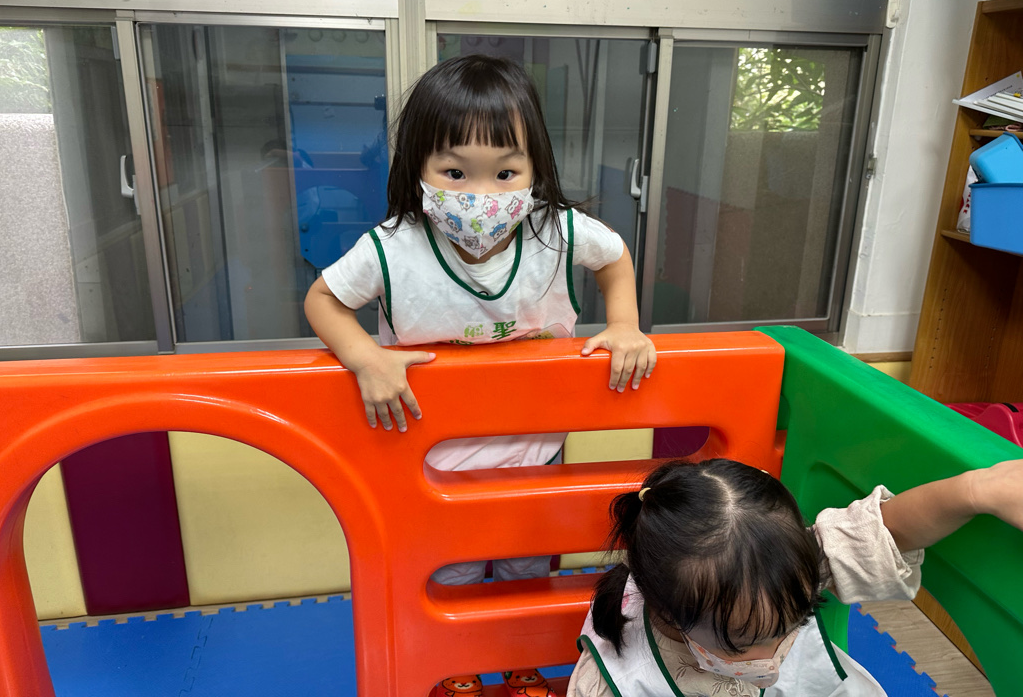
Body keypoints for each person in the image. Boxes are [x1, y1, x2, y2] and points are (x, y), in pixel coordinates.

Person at [304, 54, 657, 697]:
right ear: (418, 167)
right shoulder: (395, 245)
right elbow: (324, 299)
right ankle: (458, 667)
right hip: (435, 455)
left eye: (505, 172)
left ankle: (520, 663)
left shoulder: (553, 230)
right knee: (452, 572)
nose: (482, 195)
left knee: (527, 568)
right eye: (455, 172)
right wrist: (365, 357)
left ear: (534, 167)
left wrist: (625, 324)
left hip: (534, 447)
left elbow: (613, 258)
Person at [569, 457, 1023, 696]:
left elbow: (888, 529)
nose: (775, 655)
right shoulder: (617, 683)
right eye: (744, 641)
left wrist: (975, 490)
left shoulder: (780, 569)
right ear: (670, 614)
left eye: (797, 620)